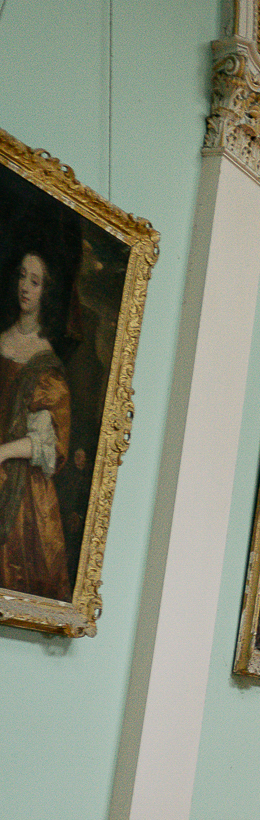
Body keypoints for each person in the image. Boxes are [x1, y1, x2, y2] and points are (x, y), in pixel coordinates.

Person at [0, 250, 71, 600]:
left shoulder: (46, 362)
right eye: (21, 276)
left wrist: (1, 453)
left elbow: (45, 441)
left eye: (35, 281)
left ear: (46, 291)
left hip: (22, 484)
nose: (24, 287)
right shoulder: (2, 339)